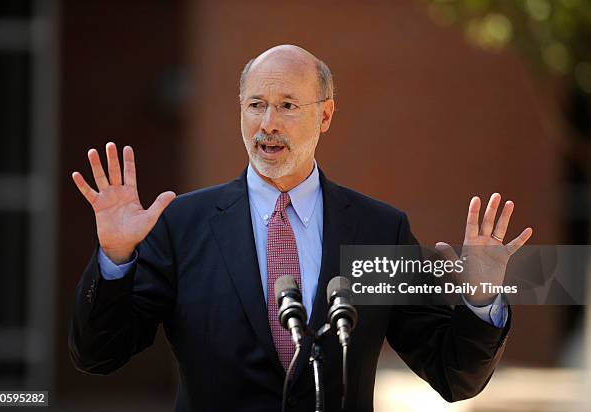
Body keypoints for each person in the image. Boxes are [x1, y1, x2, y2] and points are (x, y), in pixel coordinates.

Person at [69, 45, 532, 412]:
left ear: (325, 115)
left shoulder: (377, 230)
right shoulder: (183, 225)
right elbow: (98, 355)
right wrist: (115, 258)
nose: (267, 124)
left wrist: (480, 299)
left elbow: (454, 376)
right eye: (256, 105)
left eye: (287, 105)